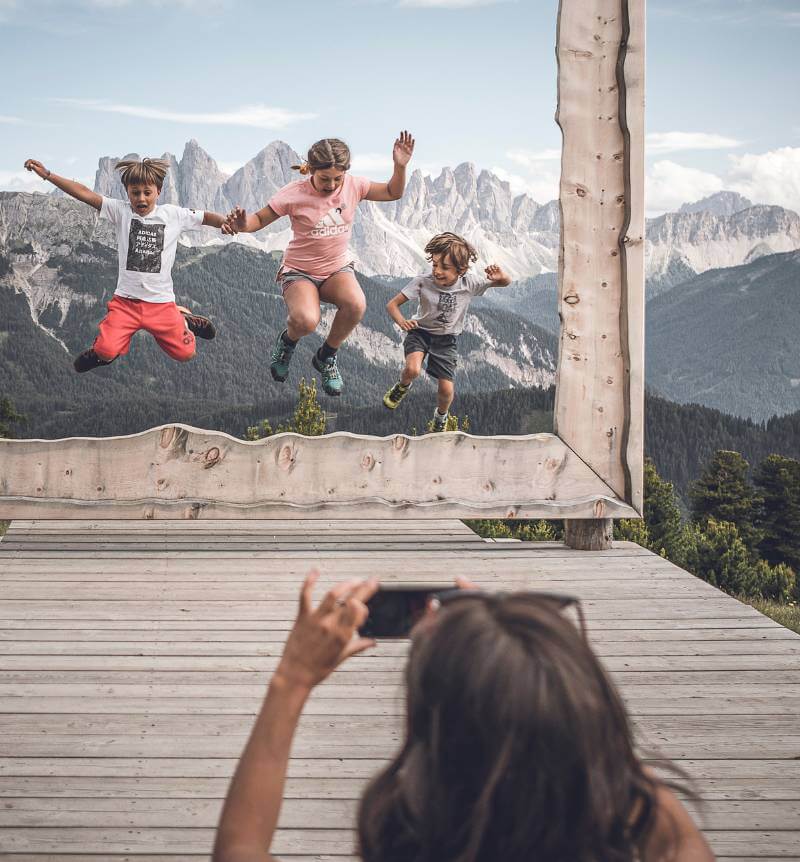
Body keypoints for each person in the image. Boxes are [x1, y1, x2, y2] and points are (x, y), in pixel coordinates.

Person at [212, 572, 716, 862]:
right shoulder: (643, 819)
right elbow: (679, 841)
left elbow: (240, 848)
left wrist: (292, 680)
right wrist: (558, 690)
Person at [224, 133, 415, 396]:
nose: (332, 184)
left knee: (357, 304)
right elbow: (257, 220)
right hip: (300, 271)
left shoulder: (354, 185)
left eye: (338, 178)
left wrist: (400, 166)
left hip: (337, 268)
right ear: (311, 171)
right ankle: (287, 343)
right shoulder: (293, 194)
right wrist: (241, 225)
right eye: (325, 179)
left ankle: (326, 356)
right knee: (305, 321)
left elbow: (394, 192)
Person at [23, 156, 232, 372]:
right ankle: (105, 353)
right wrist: (48, 175)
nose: (141, 199)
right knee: (104, 351)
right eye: (135, 193)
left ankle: (183, 319)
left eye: (147, 193)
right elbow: (84, 193)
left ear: (158, 191)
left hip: (160, 304)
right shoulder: (120, 211)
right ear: (127, 193)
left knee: (187, 354)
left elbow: (206, 217)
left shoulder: (173, 215)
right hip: (126, 304)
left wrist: (225, 222)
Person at [383, 232, 512, 431]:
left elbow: (504, 283)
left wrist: (501, 277)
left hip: (446, 340)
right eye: (435, 264)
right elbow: (392, 304)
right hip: (420, 332)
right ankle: (402, 387)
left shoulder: (469, 283)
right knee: (413, 370)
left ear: (461, 270)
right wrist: (402, 322)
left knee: (446, 388)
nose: (437, 271)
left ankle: (441, 417)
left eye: (444, 267)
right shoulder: (422, 281)